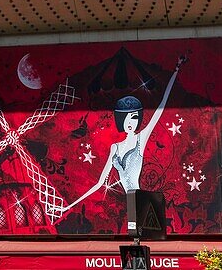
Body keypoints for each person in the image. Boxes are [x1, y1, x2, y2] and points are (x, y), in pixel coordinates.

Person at [59, 55, 186, 218]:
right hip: (131, 201)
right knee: (135, 235)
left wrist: (175, 71)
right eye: (126, 118)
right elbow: (99, 183)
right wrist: (68, 207)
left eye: (134, 117)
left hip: (140, 199)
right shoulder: (115, 148)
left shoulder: (141, 138)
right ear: (121, 120)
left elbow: (161, 107)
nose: (130, 122)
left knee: (140, 234)